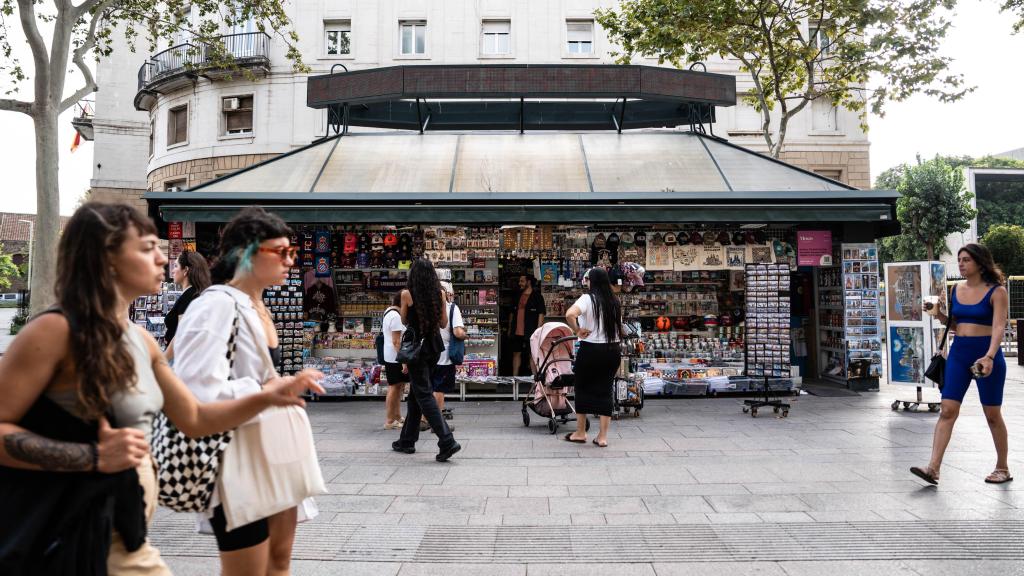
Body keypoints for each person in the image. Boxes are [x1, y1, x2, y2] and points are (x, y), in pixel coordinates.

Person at [0, 202, 322, 575]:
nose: (163, 259)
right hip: (65, 532)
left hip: (125, 531)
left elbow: (196, 417)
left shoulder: (141, 339)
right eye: (147, 248)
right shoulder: (54, 330)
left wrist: (270, 395)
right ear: (104, 258)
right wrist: (91, 456)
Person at [172, 206, 326, 576]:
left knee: (279, 562)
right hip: (236, 454)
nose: (291, 261)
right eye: (282, 252)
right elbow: (193, 393)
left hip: (272, 448)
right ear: (247, 252)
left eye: (293, 252)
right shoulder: (215, 305)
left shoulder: (256, 303)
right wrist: (267, 390)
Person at [911, 243, 1012, 486]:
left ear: (980, 262)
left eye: (966, 260)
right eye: (959, 260)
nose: (961, 264)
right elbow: (956, 326)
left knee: (992, 414)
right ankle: (933, 468)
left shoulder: (997, 291)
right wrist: (938, 315)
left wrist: (989, 356)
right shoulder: (955, 289)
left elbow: (999, 326)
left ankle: (1003, 467)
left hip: (985, 354)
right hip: (959, 353)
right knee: (947, 409)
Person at [392, 258, 461, 462]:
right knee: (416, 394)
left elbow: (404, 321)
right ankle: (407, 440)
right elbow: (443, 323)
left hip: (416, 351)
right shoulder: (439, 293)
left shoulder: (406, 294)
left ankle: (447, 440)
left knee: (423, 394)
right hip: (434, 347)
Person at [564, 267, 623, 448]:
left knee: (582, 387)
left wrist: (577, 330)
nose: (587, 282)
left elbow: (569, 314)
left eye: (588, 279)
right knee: (606, 389)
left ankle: (580, 432)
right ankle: (602, 437)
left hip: (591, 350)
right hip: (612, 350)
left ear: (593, 281)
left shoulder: (587, 299)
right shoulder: (615, 300)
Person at [164, 250, 211, 360]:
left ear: (185, 270)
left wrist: (163, 360)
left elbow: (181, 335)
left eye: (176, 266)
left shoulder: (189, 296)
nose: (173, 270)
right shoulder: (198, 294)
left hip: (179, 359)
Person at [432, 281, 466, 428]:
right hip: (444, 354)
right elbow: (458, 332)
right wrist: (465, 335)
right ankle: (437, 423)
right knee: (439, 388)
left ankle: (425, 418)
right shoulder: (452, 308)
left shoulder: (425, 308)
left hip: (427, 353)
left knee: (428, 387)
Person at [509, 273, 545, 376]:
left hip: (531, 331)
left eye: (522, 281)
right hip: (517, 330)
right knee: (516, 353)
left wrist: (538, 331)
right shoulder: (517, 296)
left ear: (528, 282)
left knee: (532, 355)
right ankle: (514, 379)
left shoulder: (537, 297)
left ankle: (534, 381)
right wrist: (510, 328)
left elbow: (541, 314)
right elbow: (512, 313)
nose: (519, 283)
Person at [382, 292, 407, 430]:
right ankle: (390, 420)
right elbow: (397, 341)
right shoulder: (395, 317)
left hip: (391, 356)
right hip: (395, 357)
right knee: (394, 387)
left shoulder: (388, 312)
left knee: (397, 387)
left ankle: (397, 416)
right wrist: (404, 361)